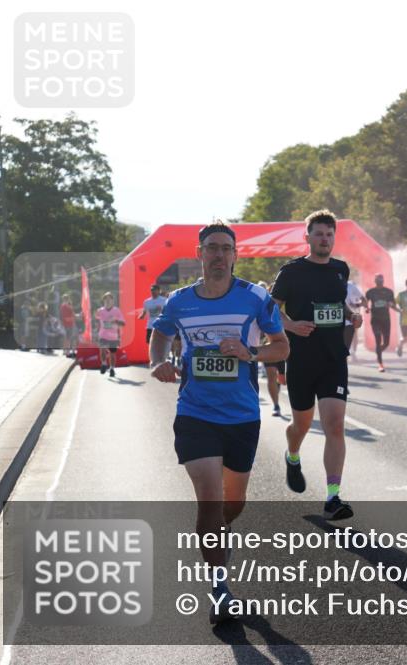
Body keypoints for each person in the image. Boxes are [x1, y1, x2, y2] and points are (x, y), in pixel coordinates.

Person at [149, 221, 288, 624]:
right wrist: (158, 361)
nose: (219, 256)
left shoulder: (255, 298)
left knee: (233, 504)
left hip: (242, 416)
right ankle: (220, 588)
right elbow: (160, 334)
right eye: (211, 248)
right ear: (200, 254)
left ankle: (218, 537)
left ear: (235, 255)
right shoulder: (179, 302)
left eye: (226, 249)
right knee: (209, 500)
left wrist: (250, 353)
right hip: (195, 412)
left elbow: (282, 347)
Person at [271, 210, 362, 520]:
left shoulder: (340, 269)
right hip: (300, 359)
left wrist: (351, 316)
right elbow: (270, 311)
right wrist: (292, 326)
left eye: (329, 234)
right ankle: (292, 455)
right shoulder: (291, 272)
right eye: (319, 233)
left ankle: (333, 497)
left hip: (333, 358)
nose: (325, 239)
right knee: (302, 425)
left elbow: (338, 302)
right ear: (307, 237)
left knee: (335, 424)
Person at [257, 281, 287, 416]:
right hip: (268, 345)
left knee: (282, 378)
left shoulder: (286, 306)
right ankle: (276, 405)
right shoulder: (262, 305)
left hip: (285, 346)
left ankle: (280, 387)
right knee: (271, 376)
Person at [365, 274, 400, 372]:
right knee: (377, 338)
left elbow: (393, 304)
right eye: (377, 280)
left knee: (386, 343)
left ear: (383, 281)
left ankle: (378, 352)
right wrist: (366, 308)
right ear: (375, 281)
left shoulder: (389, 292)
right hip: (375, 319)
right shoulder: (370, 292)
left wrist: (396, 308)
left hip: (386, 319)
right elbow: (365, 302)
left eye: (381, 279)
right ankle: (380, 364)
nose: (379, 281)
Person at [96, 292, 125, 377]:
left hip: (113, 336)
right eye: (106, 299)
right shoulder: (100, 310)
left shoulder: (117, 311)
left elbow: (123, 323)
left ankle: (112, 368)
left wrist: (116, 321)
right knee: (102, 350)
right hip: (103, 335)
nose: (108, 301)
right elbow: (96, 319)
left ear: (113, 301)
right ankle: (104, 364)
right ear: (103, 300)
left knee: (112, 354)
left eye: (109, 299)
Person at [343, 276, 365, 361]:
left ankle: (353, 353)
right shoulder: (334, 285)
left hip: (352, 315)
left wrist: (357, 305)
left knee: (354, 334)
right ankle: (345, 354)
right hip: (341, 316)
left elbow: (363, 299)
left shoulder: (351, 286)